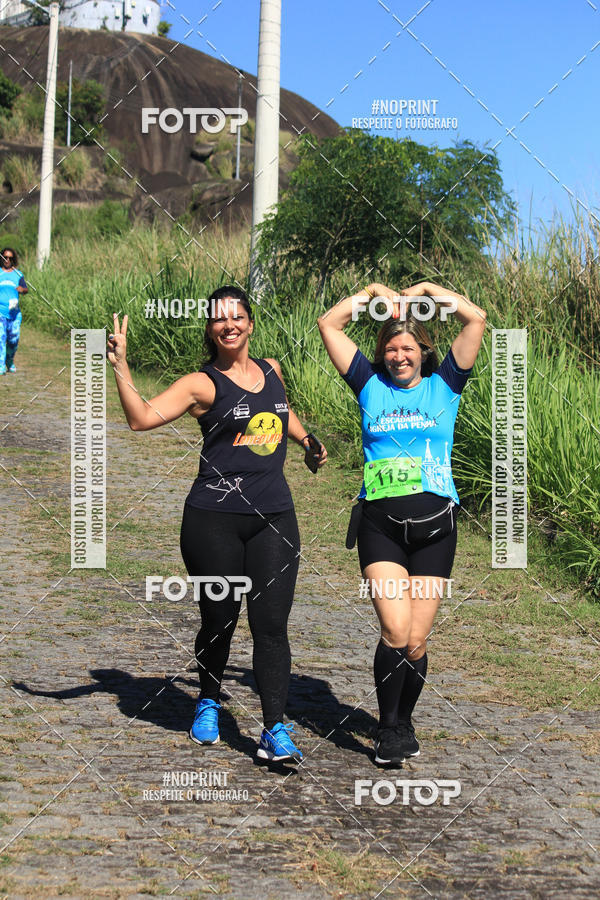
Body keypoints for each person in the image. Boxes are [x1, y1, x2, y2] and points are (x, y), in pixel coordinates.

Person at [108, 285, 327, 763]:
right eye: (218, 319)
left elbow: (279, 414)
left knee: (271, 626)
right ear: (209, 328)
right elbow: (141, 419)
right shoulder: (200, 384)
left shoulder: (273, 370)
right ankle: (208, 699)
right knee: (220, 620)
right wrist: (121, 366)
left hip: (275, 516)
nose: (228, 325)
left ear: (250, 323)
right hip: (214, 520)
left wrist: (308, 438)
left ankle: (273, 729)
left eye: (237, 316)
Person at [318, 281, 485, 765]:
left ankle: (405, 717)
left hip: (436, 529)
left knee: (415, 640)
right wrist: (371, 295)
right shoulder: (368, 385)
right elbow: (330, 324)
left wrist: (427, 292)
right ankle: (388, 731)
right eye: (390, 348)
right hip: (381, 527)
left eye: (407, 347)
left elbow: (475, 320)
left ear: (423, 350)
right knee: (394, 630)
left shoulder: (446, 386)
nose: (398, 356)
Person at [0, 247, 28, 375]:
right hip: (1, 312)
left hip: (15, 314)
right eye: (5, 257)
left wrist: (22, 290)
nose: (7, 260)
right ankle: (1, 365)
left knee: (13, 340)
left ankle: (9, 361)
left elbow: (25, 289)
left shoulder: (18, 274)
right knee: (1, 338)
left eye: (10, 258)